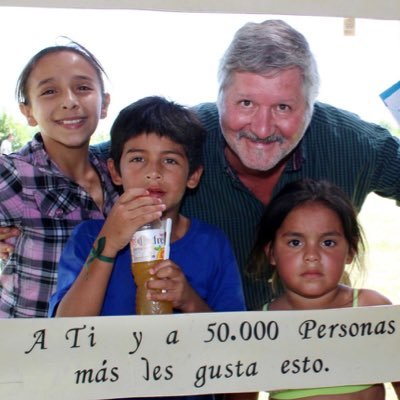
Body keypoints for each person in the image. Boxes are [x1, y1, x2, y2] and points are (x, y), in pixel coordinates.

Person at [1, 19, 400, 311]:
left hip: (300, 353)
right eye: (245, 104)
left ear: (311, 106)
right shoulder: (182, 139)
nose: (262, 128)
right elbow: (85, 166)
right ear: (220, 96)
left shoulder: (358, 145)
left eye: (283, 107)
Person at [49, 96, 245, 320]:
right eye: (138, 159)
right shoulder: (89, 236)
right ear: (115, 172)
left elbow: (232, 337)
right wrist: (108, 244)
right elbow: (64, 328)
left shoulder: (212, 243)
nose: (154, 172)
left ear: (193, 175)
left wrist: (189, 300)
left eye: (170, 160)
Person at [248, 178, 400, 400]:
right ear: (271, 252)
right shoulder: (257, 328)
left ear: (350, 251)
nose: (312, 256)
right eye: (295, 242)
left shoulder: (373, 311)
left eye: (328, 243)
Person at [0, 40, 118, 317]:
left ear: (104, 104)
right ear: (27, 112)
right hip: (28, 349)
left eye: (83, 87)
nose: (69, 101)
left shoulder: (118, 173)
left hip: (102, 348)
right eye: (50, 91)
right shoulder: (16, 175)